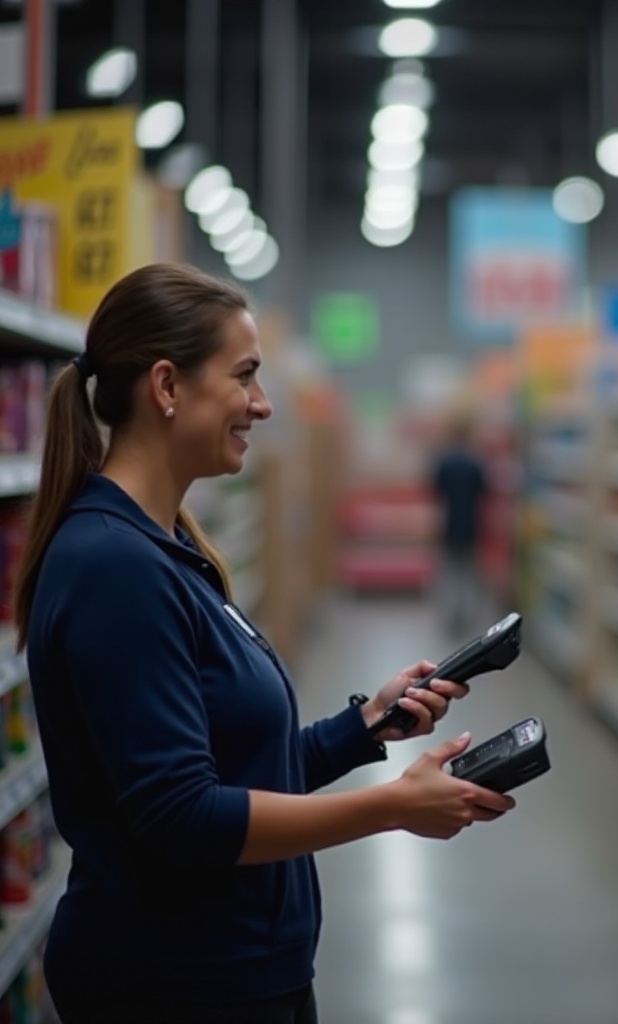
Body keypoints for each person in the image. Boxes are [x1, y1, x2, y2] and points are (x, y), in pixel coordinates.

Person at [13, 262, 515, 1024]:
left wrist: (364, 727)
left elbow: (235, 769)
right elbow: (183, 816)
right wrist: (391, 808)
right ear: (167, 386)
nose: (264, 403)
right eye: (244, 375)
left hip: (235, 973)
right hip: (176, 988)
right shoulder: (114, 566)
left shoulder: (170, 545)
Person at [430, 410, 488, 635]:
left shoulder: (444, 462)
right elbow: (484, 492)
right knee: (468, 571)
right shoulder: (475, 462)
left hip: (449, 522)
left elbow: (435, 491)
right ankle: (466, 616)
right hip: (472, 523)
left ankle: (451, 616)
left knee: (449, 570)